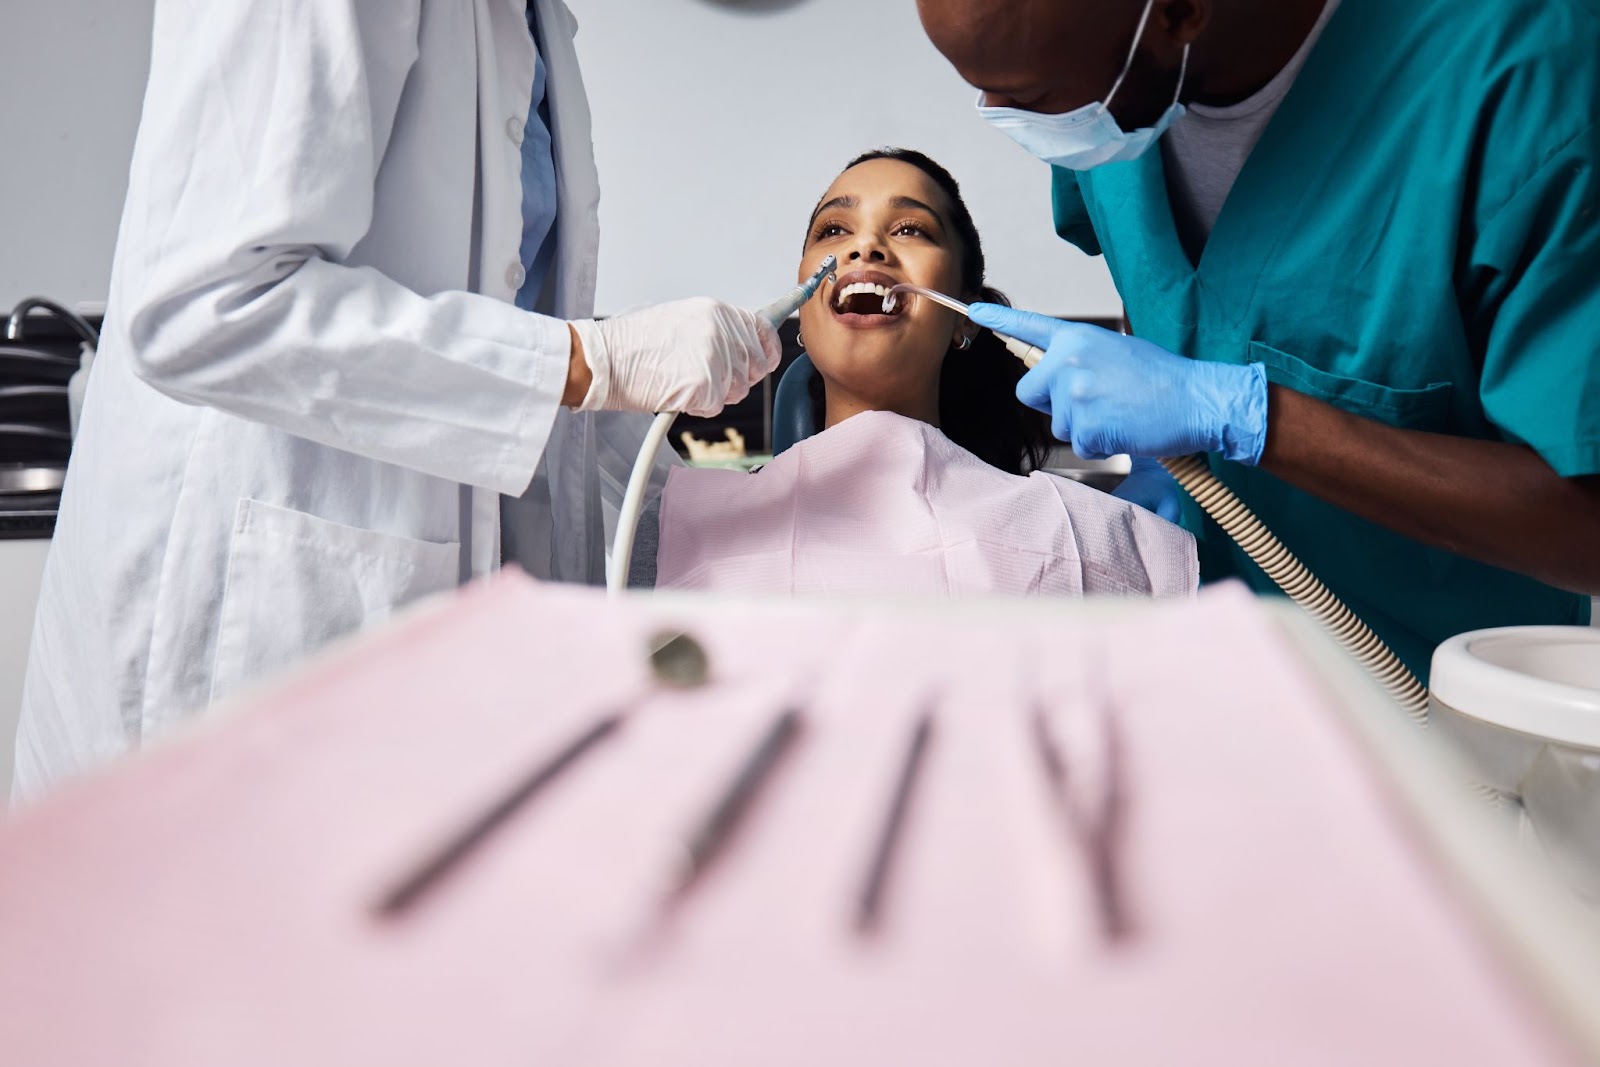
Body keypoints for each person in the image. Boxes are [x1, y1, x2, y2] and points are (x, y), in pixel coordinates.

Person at [12, 0, 780, 800]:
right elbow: (203, 307)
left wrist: (717, 500)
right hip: (242, 638)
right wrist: (588, 361)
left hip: (440, 657)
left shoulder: (529, 20)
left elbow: (502, 351)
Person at [915, 0, 1600, 679]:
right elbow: (1174, 289)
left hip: (1455, 703)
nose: (998, 108)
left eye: (1029, 94)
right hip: (1213, 663)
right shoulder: (1112, 102)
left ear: (1180, 14)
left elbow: (1585, 527)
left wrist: (1248, 416)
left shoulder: (1529, 87)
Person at [637, 150, 1198, 599]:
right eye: (834, 230)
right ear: (802, 317)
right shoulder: (676, 524)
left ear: (964, 316)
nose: (866, 246)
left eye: (909, 229)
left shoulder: (1082, 533)